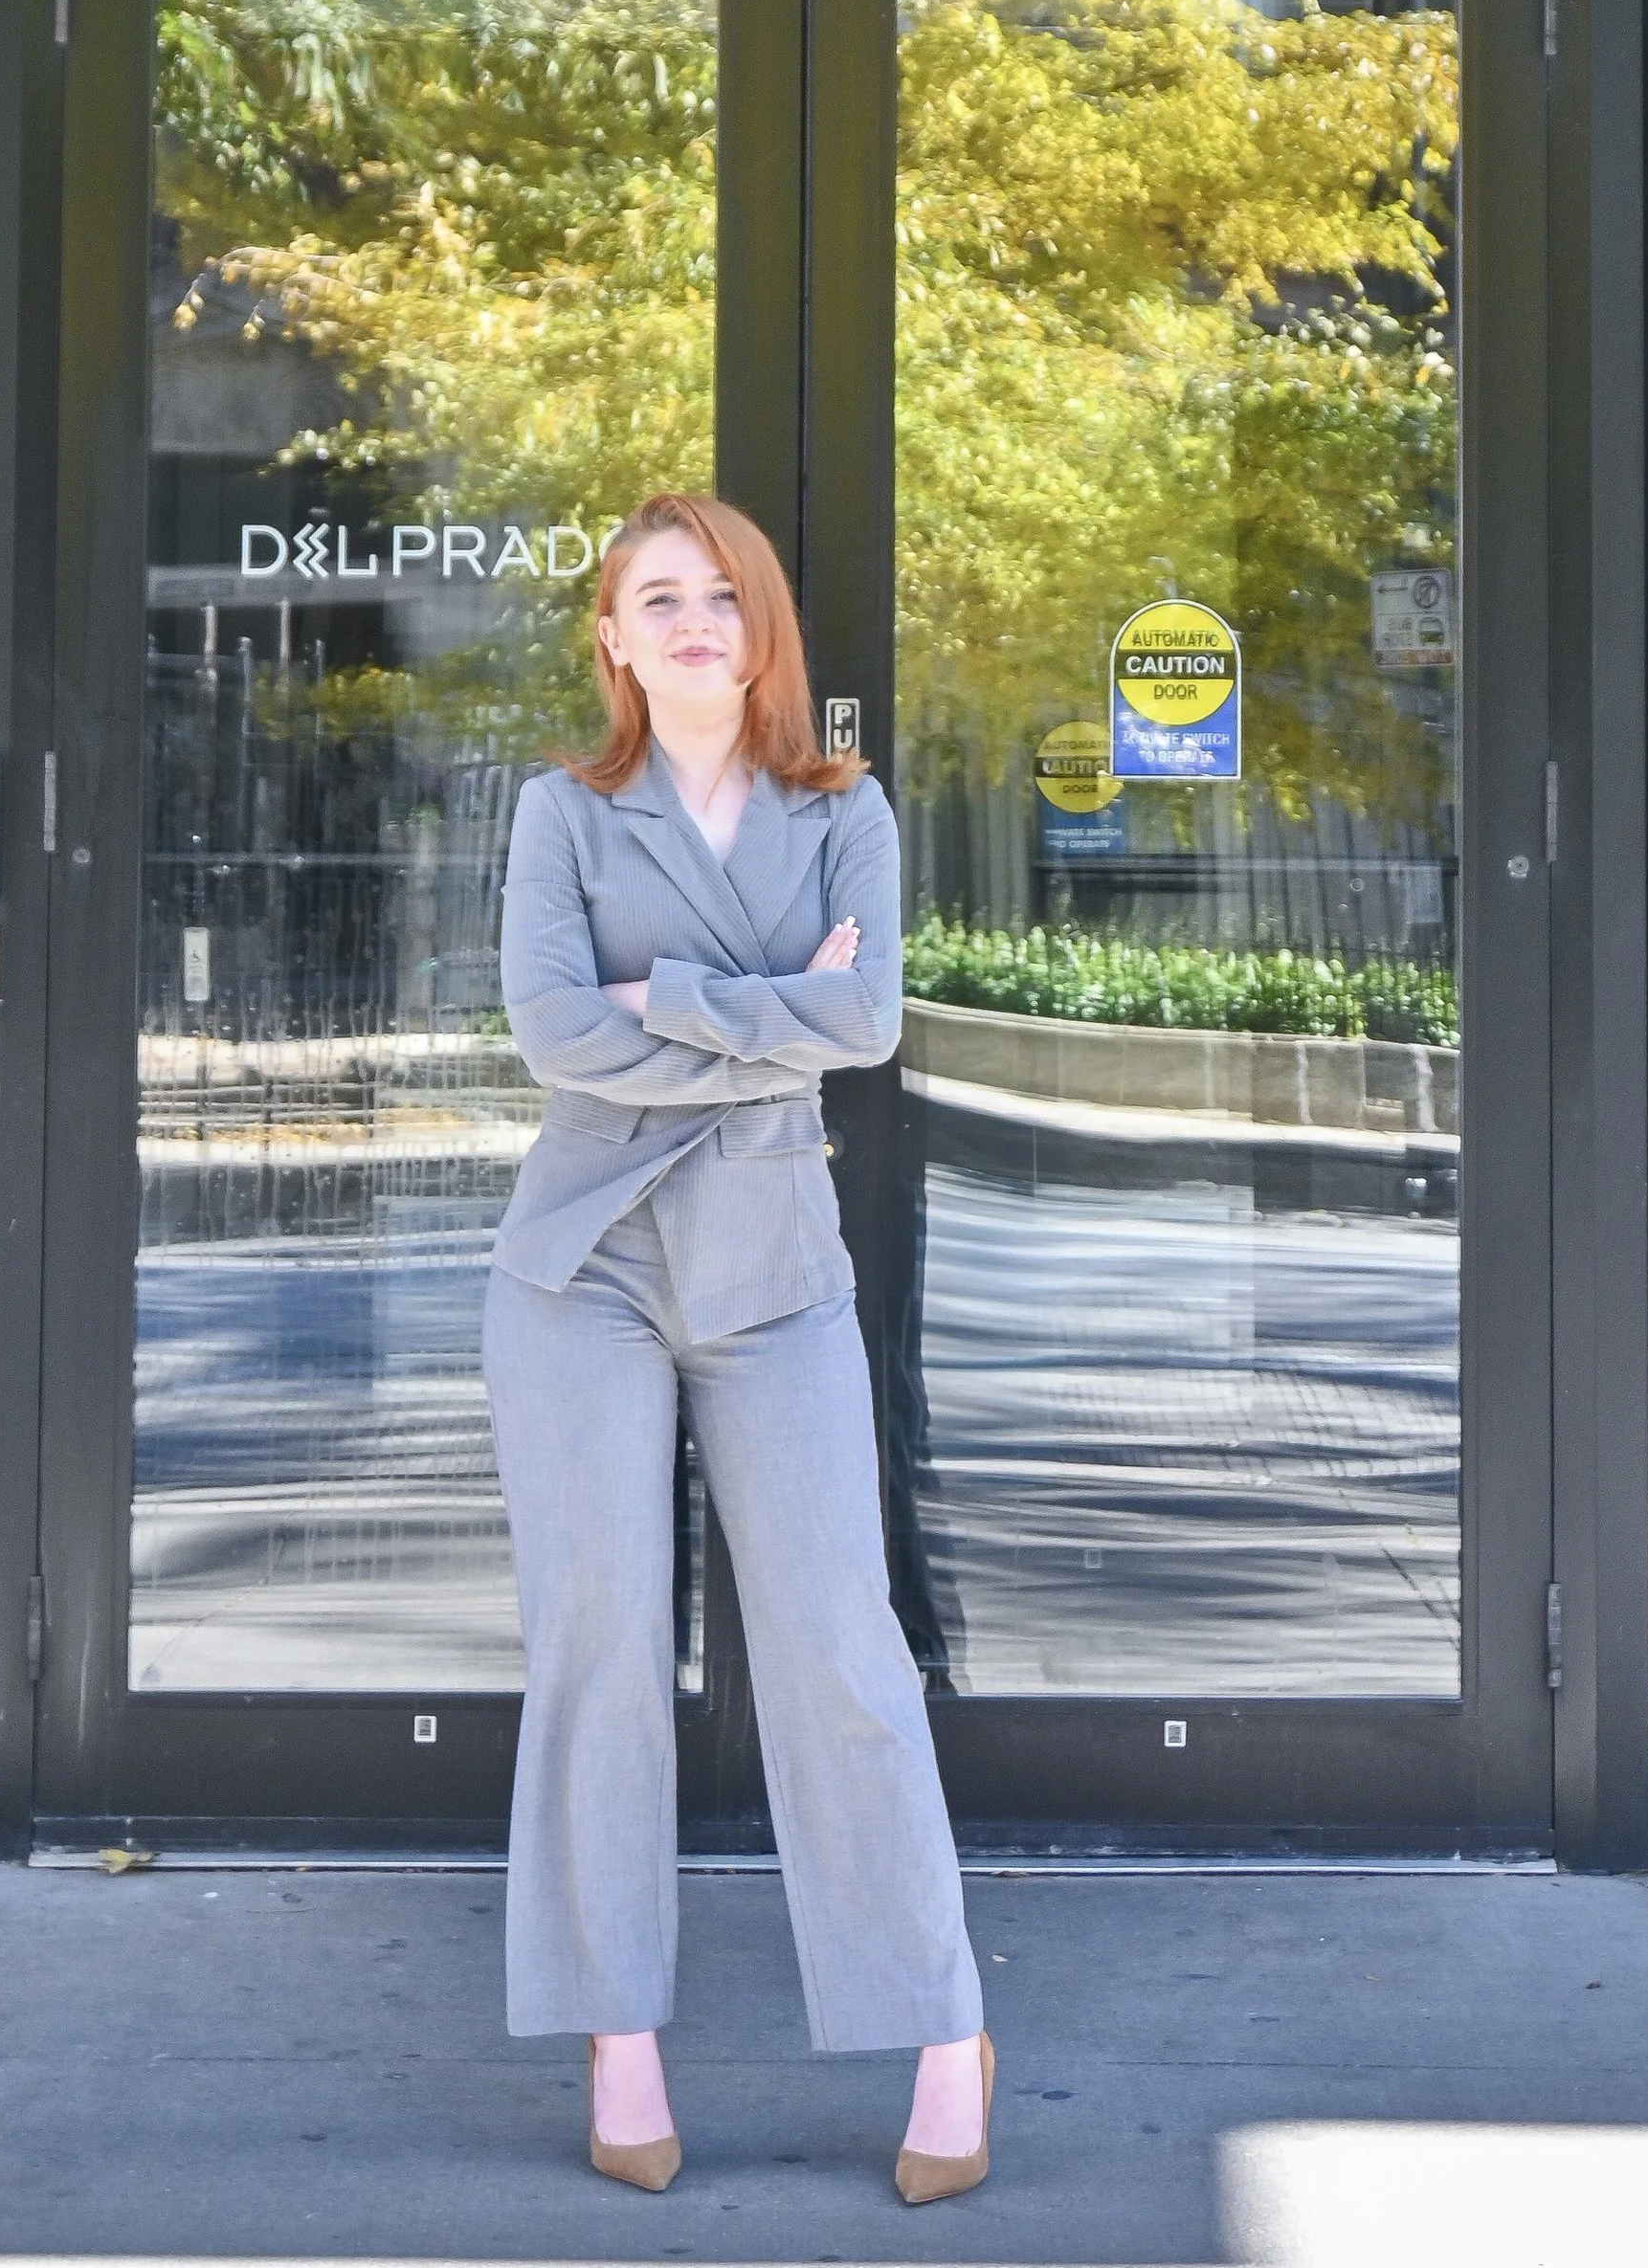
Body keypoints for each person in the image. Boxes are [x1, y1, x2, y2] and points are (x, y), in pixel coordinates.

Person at [483, 491, 993, 2203]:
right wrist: (760, 1011)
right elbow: (550, 1029)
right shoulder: (560, 813)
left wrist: (668, 1003)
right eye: (659, 597)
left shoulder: (846, 812)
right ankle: (617, 2026)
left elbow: (870, 1021)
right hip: (584, 1267)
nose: (696, 618)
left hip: (777, 1271)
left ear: (762, 630)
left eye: (725, 594)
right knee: (601, 1642)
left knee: (843, 1646)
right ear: (615, 639)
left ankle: (944, 2021)